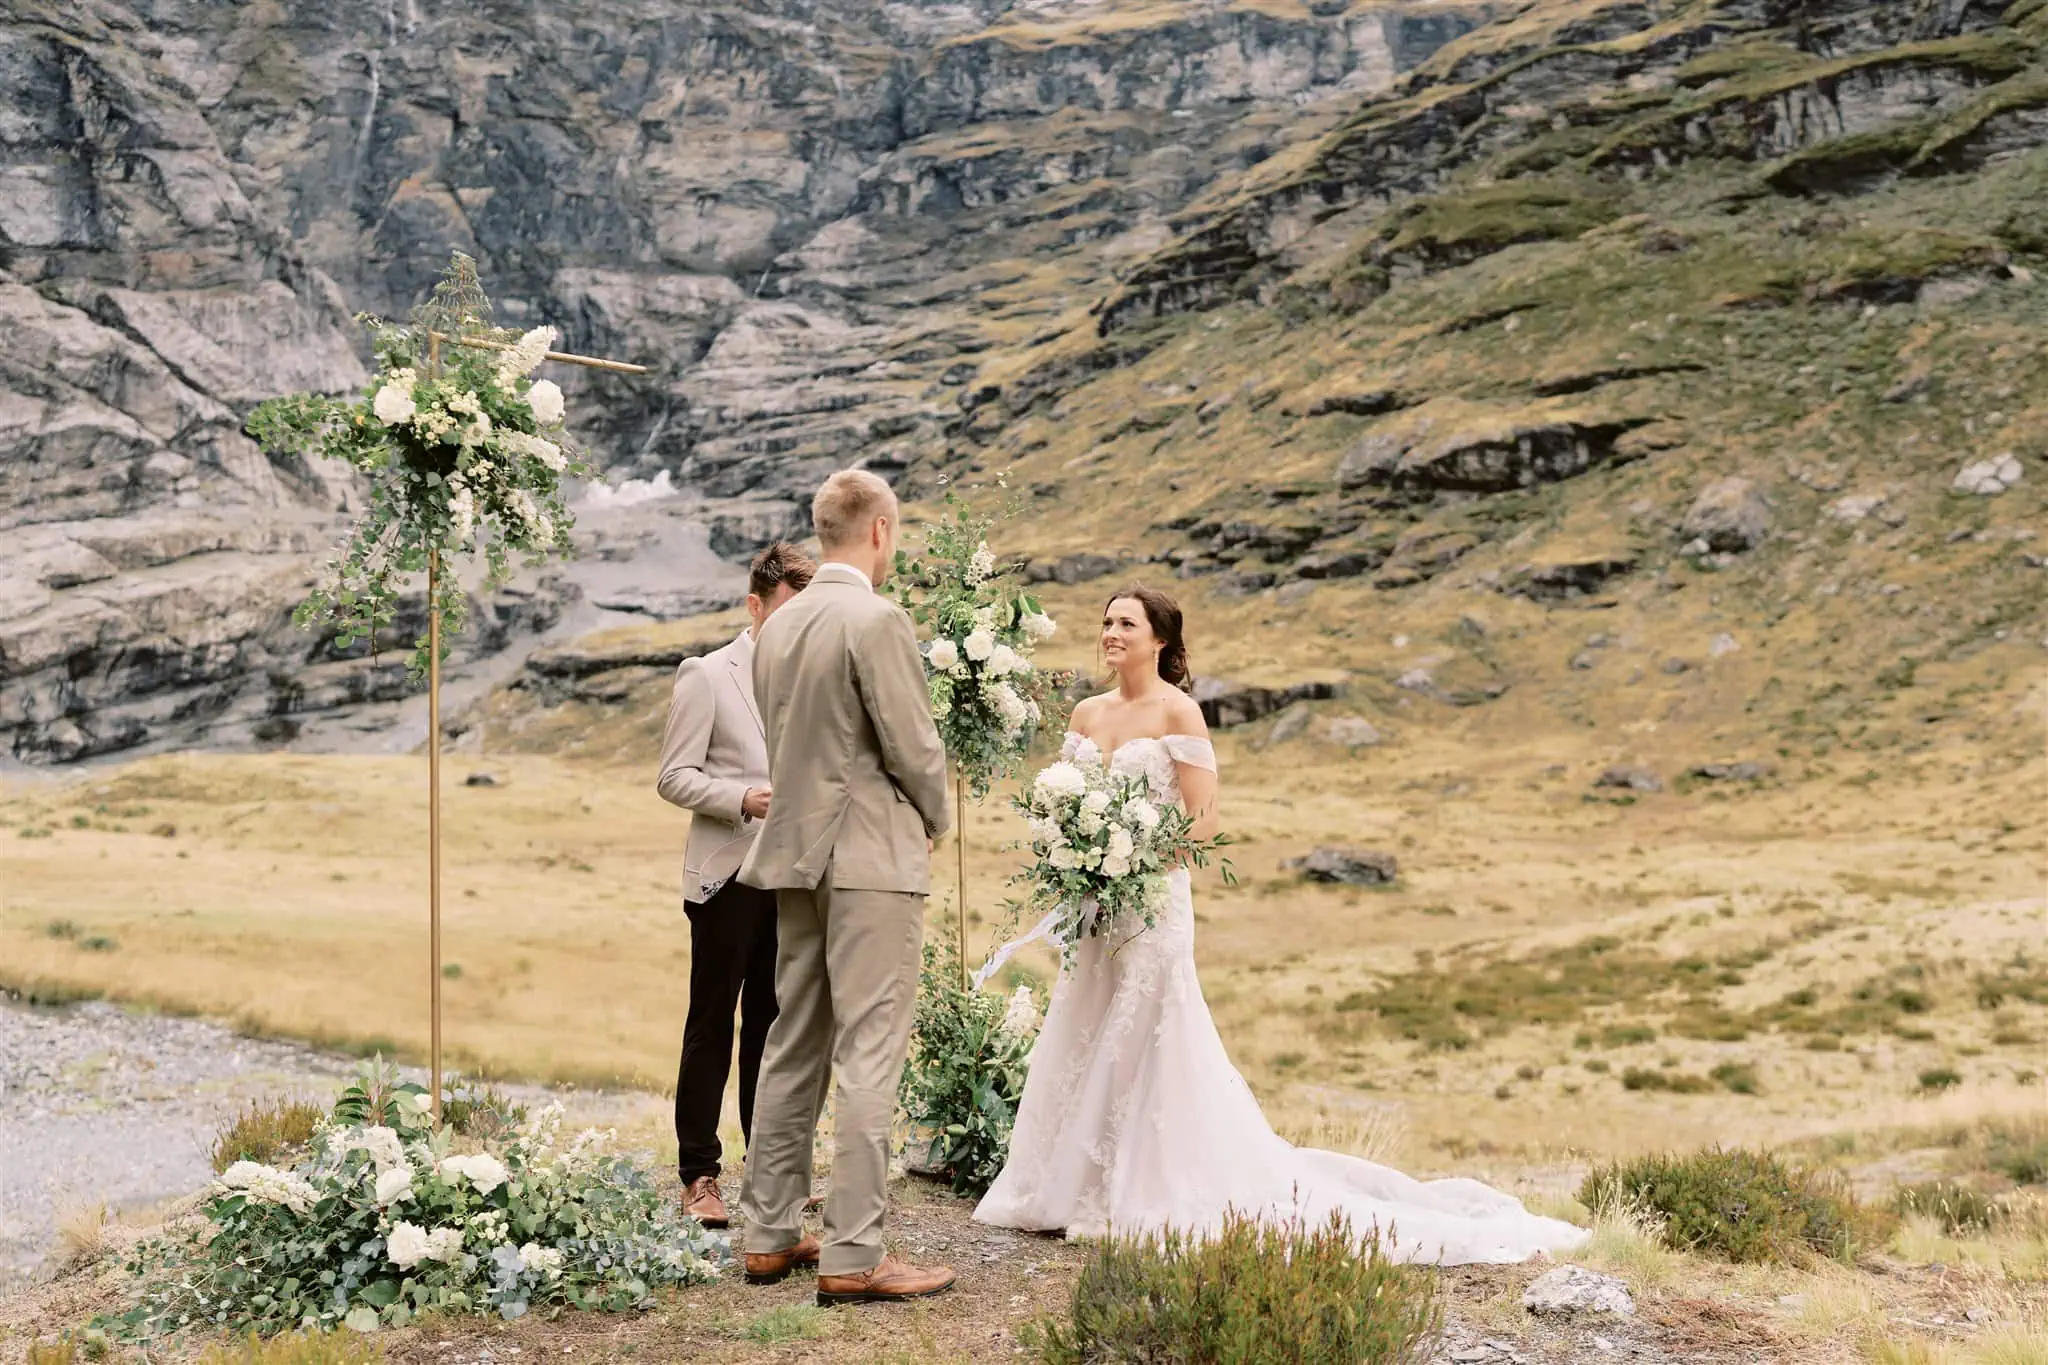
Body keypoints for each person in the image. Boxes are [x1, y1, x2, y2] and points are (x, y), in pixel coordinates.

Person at [974, 585, 1589, 1265]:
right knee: (1086, 1023)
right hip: (1096, 907)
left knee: (1140, 1037)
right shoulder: (1087, 712)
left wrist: (1132, 858)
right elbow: (1066, 801)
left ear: (1160, 641)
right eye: (1107, 621)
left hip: (1151, 905)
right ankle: (1060, 1182)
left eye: (1127, 622)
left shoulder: (1179, 710)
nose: (1111, 631)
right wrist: (1079, 852)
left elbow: (1203, 821)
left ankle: (1126, 1189)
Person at [735, 469, 959, 1306]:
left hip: (794, 856)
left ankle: (768, 1232)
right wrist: (934, 817)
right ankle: (855, 1250)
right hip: (870, 858)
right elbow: (913, 745)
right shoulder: (876, 617)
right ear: (881, 531)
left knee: (795, 1039)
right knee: (870, 1048)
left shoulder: (776, 628)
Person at [656, 542, 816, 1228]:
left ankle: (771, 1171)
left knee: (775, 1031)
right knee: (712, 1026)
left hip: (793, 878)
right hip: (726, 877)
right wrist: (742, 798)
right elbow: (673, 776)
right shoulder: (707, 674)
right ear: (755, 605)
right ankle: (699, 1173)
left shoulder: (815, 675)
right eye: (785, 611)